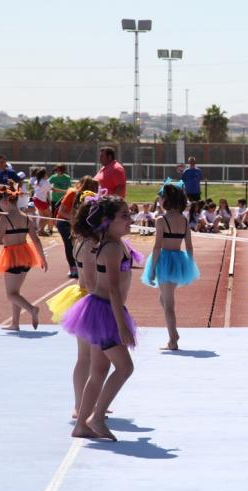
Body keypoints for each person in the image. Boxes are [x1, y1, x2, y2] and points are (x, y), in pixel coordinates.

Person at [63, 195, 137, 441]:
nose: (130, 219)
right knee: (125, 367)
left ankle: (81, 426)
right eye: (123, 216)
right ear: (108, 222)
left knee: (99, 369)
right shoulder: (112, 247)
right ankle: (97, 416)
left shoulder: (114, 243)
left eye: (130, 214)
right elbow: (113, 289)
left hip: (100, 309)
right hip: (105, 312)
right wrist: (121, 325)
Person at [46, 189, 99, 418]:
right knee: (90, 357)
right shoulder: (88, 243)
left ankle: (86, 402)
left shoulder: (79, 238)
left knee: (87, 357)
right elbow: (90, 279)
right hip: (90, 299)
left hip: (82, 296)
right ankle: (81, 405)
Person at [0, 181, 48, 330]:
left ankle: (32, 309)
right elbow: (36, 240)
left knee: (11, 294)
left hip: (12, 256)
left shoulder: (5, 218)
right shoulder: (26, 217)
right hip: (26, 256)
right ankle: (15, 324)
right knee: (16, 292)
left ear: (6, 201)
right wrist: (42, 258)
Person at [141, 179, 200, 350]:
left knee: (168, 304)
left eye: (161, 197)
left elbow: (157, 246)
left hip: (165, 261)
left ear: (167, 200)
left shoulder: (161, 220)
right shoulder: (184, 220)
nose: (159, 200)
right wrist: (190, 265)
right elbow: (189, 246)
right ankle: (173, 332)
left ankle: (173, 340)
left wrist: (151, 270)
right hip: (179, 260)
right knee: (164, 298)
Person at [57, 177, 100, 278]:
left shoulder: (92, 196)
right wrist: (74, 219)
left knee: (82, 244)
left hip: (78, 223)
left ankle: (84, 265)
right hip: (65, 222)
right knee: (69, 244)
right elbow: (61, 212)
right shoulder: (72, 193)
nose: (95, 190)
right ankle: (73, 267)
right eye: (93, 187)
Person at [31, 168, 54, 235]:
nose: (47, 175)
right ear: (44, 175)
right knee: (49, 215)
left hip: (36, 199)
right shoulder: (45, 182)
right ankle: (41, 230)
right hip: (41, 201)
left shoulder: (37, 181)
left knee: (42, 216)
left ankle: (41, 230)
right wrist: (64, 191)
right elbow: (53, 189)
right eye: (46, 173)